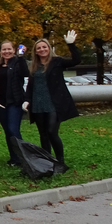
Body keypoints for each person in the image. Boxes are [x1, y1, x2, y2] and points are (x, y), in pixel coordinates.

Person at [24, 31, 81, 166]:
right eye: (39, 48)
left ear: (49, 48)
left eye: (44, 47)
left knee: (51, 132)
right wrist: (27, 100)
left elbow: (76, 60)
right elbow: (30, 86)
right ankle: (47, 161)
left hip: (53, 103)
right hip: (38, 103)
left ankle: (60, 161)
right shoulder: (34, 66)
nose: (42, 49)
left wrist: (71, 45)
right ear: (36, 51)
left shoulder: (57, 62)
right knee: (43, 134)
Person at [0, 40, 29, 166]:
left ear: (13, 50)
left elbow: (25, 72)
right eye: (4, 49)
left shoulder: (18, 62)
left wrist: (21, 56)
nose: (6, 52)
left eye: (9, 49)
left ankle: (23, 156)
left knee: (13, 129)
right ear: (0, 52)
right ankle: (14, 158)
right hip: (1, 103)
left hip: (15, 101)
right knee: (7, 131)